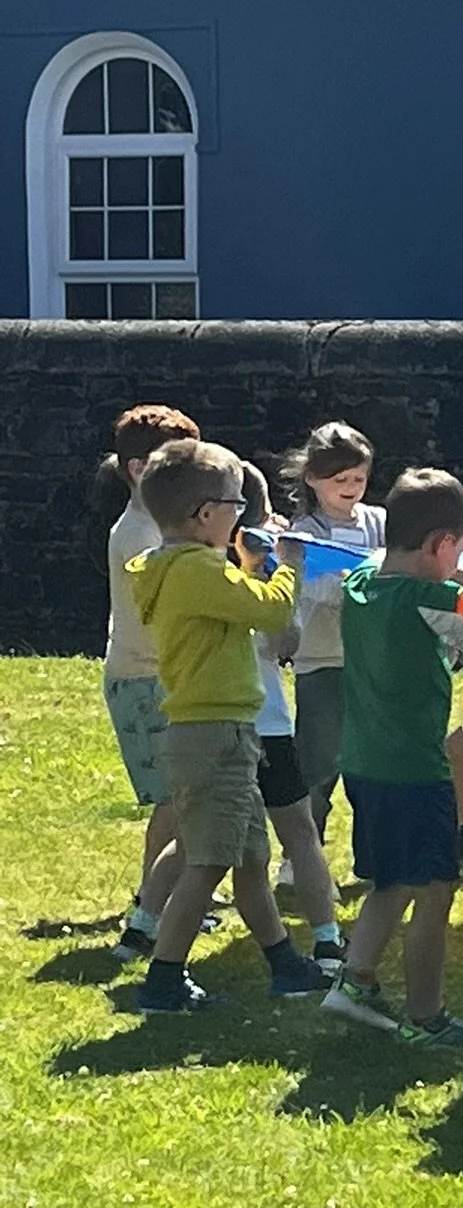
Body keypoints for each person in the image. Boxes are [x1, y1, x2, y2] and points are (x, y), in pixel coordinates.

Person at [123, 438, 328, 1014]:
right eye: (235, 506)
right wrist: (288, 564)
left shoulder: (178, 567)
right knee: (208, 861)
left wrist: (252, 567)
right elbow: (270, 611)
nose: (241, 516)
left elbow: (241, 602)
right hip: (215, 733)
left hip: (218, 730)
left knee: (250, 856)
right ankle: (164, 979)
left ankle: (285, 965)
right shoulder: (195, 569)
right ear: (205, 514)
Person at [320, 469, 463, 1047]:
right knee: (436, 889)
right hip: (415, 770)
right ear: (439, 544)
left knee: (391, 880)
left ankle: (355, 980)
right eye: (457, 550)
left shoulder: (361, 586)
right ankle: (427, 1017)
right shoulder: (432, 598)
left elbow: (457, 631)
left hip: (364, 764)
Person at [98, 404, 203, 962]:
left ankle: (169, 895)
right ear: (140, 469)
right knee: (174, 799)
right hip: (143, 679)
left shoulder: (159, 527)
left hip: (163, 675)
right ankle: (152, 901)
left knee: (182, 797)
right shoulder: (139, 534)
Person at [238, 463, 346, 974]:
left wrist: (277, 572)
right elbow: (284, 639)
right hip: (233, 721)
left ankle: (325, 941)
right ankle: (152, 934)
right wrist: (280, 572)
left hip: (266, 721)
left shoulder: (259, 571)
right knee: (235, 848)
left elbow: (285, 642)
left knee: (296, 831)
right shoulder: (203, 573)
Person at [285, 421, 386, 851]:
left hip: (373, 662)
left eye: (358, 479)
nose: (350, 488)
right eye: (339, 479)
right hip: (322, 662)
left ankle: (377, 853)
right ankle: (302, 855)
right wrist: (363, 582)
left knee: (375, 763)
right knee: (318, 763)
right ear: (312, 479)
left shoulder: (380, 522)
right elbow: (316, 587)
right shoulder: (304, 532)